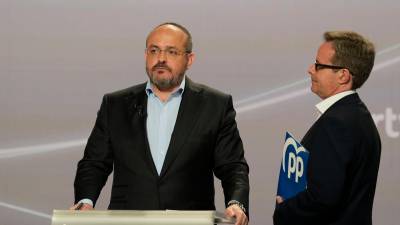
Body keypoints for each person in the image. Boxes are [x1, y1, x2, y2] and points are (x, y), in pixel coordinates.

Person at [71, 22, 249, 225]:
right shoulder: (115, 105)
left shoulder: (215, 105)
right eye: (154, 50)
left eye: (172, 52)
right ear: (146, 55)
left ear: (189, 59)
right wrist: (85, 200)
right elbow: (94, 163)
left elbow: (233, 166)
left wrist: (237, 202)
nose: (161, 59)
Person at [273, 31, 381, 225]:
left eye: (319, 65)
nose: (310, 70)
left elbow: (322, 198)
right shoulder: (356, 115)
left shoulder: (338, 123)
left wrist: (284, 209)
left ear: (343, 75)